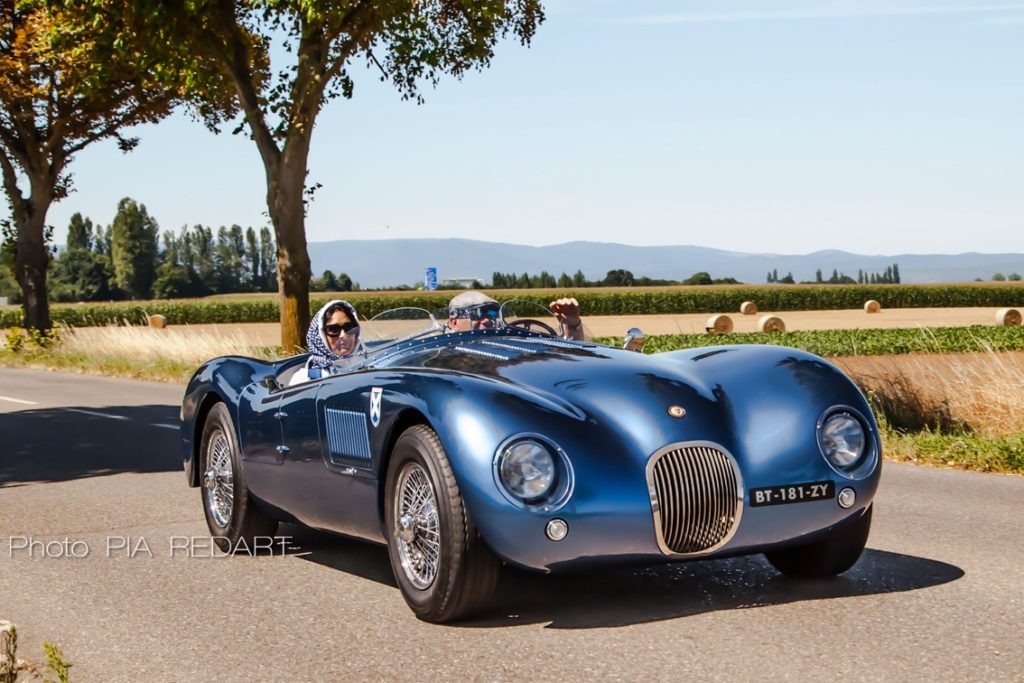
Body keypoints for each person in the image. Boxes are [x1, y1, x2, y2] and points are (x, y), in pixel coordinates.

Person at [446, 291, 586, 341]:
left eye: (492, 313)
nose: (487, 320)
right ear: (454, 322)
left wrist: (572, 323)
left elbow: (571, 355)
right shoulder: (439, 354)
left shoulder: (507, 340)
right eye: (476, 314)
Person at [290, 299, 360, 385]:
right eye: (334, 329)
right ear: (320, 335)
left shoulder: (369, 370)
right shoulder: (304, 380)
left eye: (349, 327)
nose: (343, 335)